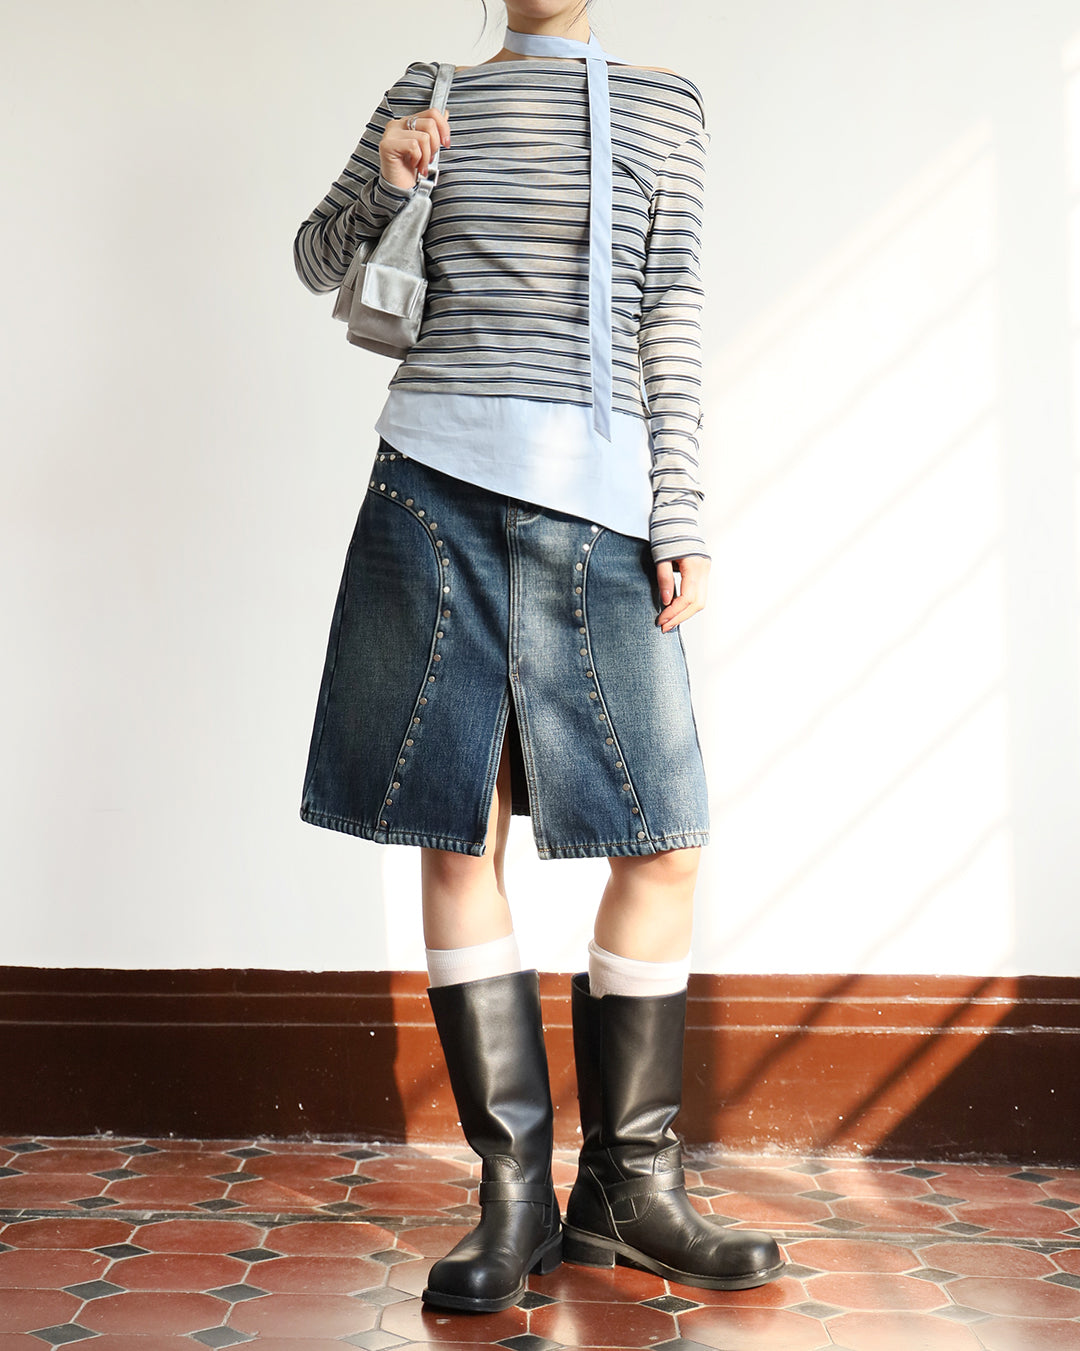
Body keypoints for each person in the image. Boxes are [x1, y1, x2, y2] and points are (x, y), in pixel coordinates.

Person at [293, 0, 784, 1314]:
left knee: (662, 839)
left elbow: (671, 318)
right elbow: (316, 258)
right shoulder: (433, 87)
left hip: (604, 514)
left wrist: (682, 514)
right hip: (431, 492)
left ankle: (629, 1192)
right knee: (458, 834)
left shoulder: (664, 106)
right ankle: (512, 1197)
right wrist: (390, 175)